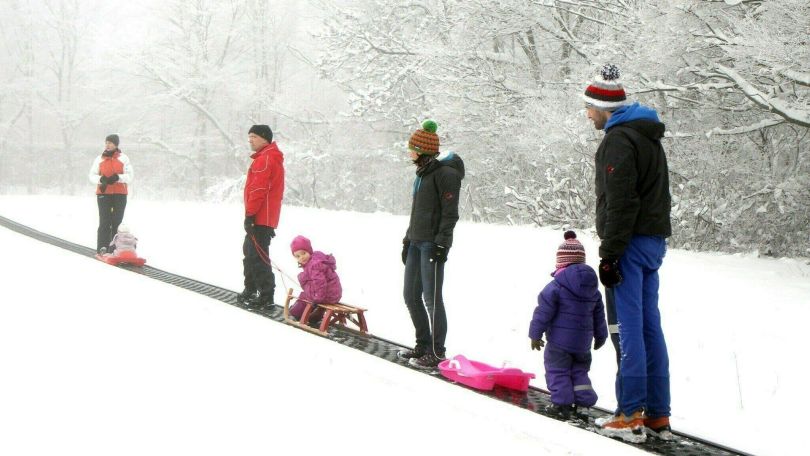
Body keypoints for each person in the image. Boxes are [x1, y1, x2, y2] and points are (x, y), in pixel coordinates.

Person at [583, 64, 673, 441]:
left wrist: (609, 253)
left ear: (605, 107)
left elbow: (621, 200)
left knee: (630, 329)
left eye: (589, 107)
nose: (587, 114)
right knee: (650, 328)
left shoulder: (619, 139)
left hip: (630, 243)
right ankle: (657, 414)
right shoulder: (648, 136)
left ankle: (629, 413)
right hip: (652, 242)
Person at [398, 119, 465, 369]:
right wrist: (407, 239)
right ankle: (423, 344)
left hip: (431, 245)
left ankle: (437, 351)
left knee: (431, 298)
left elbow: (450, 213)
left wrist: (442, 245)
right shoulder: (422, 174)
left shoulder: (445, 174)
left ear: (422, 150)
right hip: (416, 242)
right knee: (410, 295)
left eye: (412, 147)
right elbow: (417, 212)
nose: (409, 151)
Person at [528, 231, 607, 420]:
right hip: (583, 344)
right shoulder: (593, 290)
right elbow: (599, 314)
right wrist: (601, 335)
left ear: (561, 262)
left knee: (558, 370)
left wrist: (535, 334)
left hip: (559, 343)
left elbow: (543, 312)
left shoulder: (555, 286)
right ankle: (583, 405)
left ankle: (562, 404)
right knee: (580, 371)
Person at [236, 125, 285, 309]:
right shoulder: (270, 158)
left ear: (265, 138)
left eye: (254, 136)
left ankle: (265, 295)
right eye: (249, 136)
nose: (250, 140)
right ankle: (251, 289)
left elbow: (258, 189)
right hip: (264, 216)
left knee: (257, 256)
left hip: (260, 216)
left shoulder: (264, 160)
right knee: (250, 253)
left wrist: (250, 215)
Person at [88, 134, 133, 254]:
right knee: (104, 221)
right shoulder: (99, 159)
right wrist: (101, 179)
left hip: (120, 193)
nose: (107, 145)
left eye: (110, 142)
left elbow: (130, 176)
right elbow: (92, 176)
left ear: (116, 144)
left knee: (117, 221)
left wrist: (118, 177)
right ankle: (102, 247)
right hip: (104, 194)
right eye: (106, 142)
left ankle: (115, 248)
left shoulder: (124, 158)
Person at [288, 235, 343, 322]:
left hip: (327, 295)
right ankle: (316, 316)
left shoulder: (314, 265)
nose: (301, 257)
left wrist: (317, 299)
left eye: (303, 253)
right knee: (308, 290)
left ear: (309, 251)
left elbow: (320, 284)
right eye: (298, 256)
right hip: (334, 294)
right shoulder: (316, 260)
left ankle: (295, 314)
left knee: (304, 296)